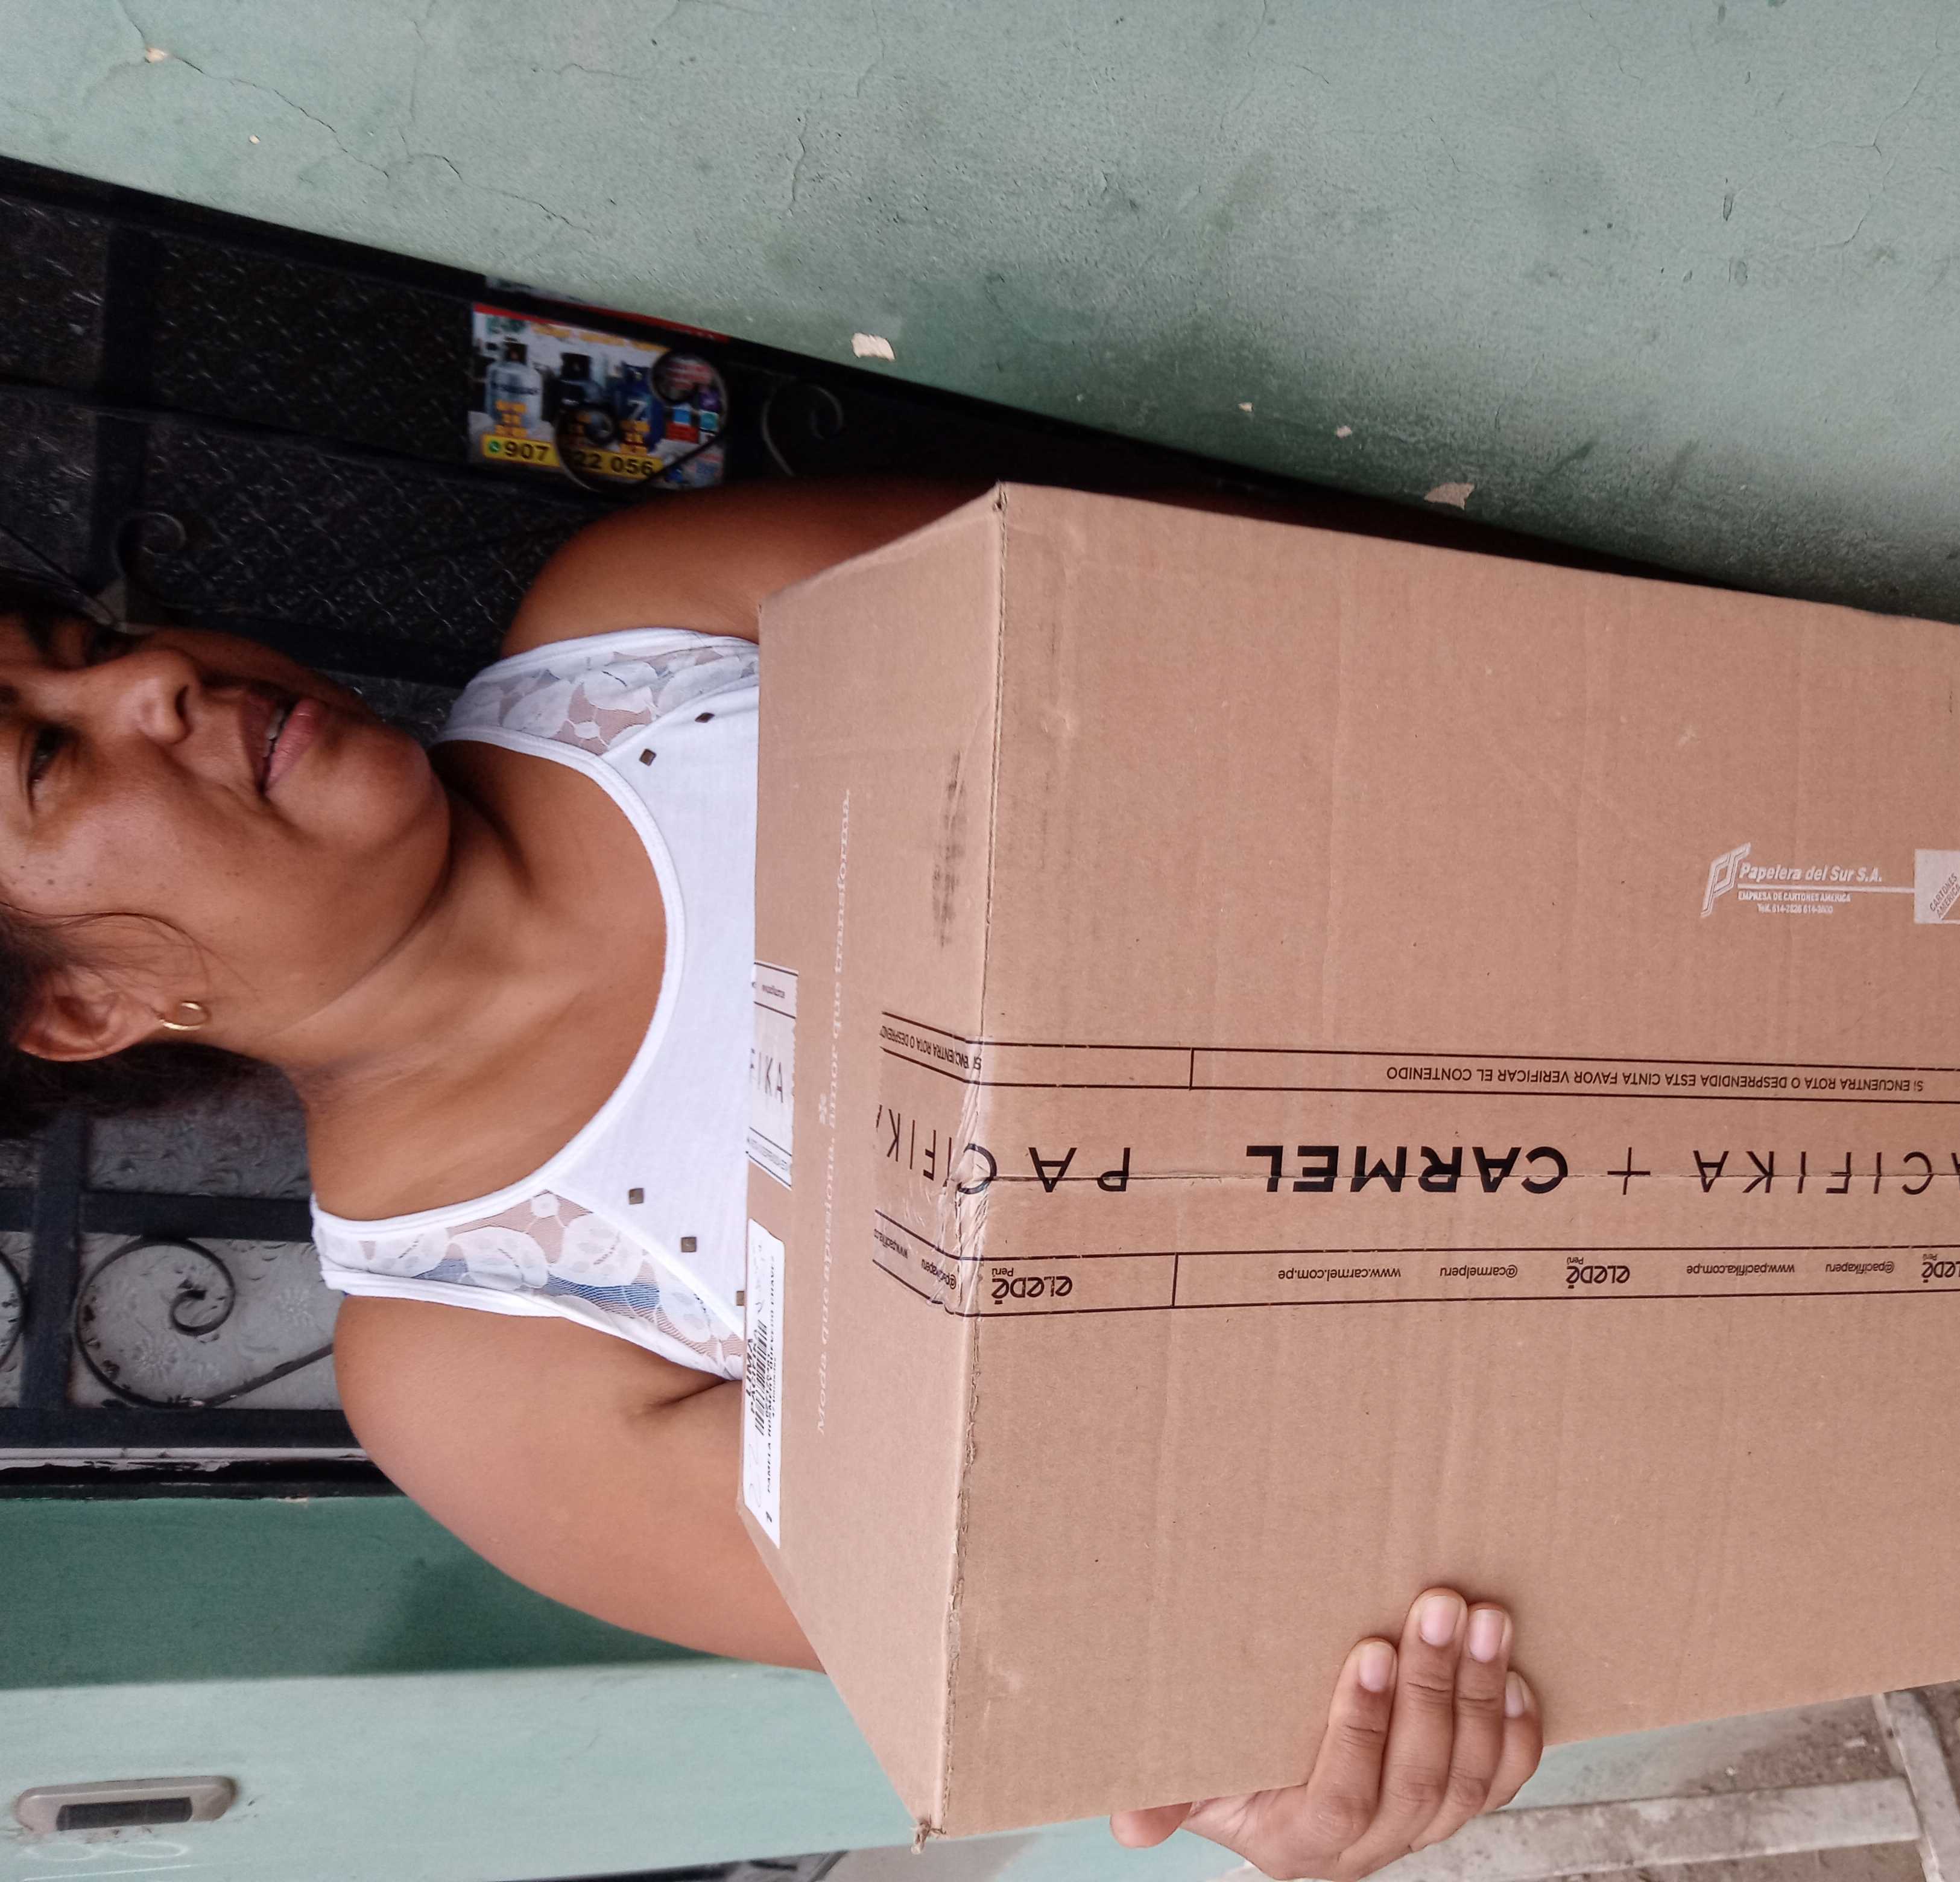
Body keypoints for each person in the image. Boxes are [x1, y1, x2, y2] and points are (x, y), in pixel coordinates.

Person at [0, 479, 1543, 1881]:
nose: (156, 677)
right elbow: (1105, 1619)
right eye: (51, 758)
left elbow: (1341, 600)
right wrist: (1290, 1760)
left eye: (93, 643)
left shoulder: (652, 620)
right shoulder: (475, 1364)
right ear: (80, 1008)